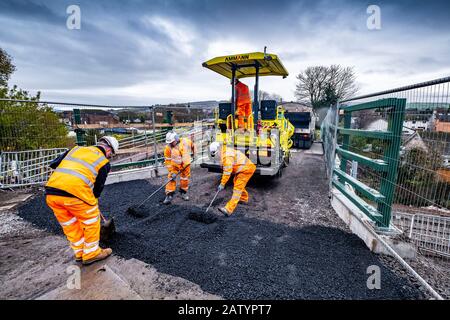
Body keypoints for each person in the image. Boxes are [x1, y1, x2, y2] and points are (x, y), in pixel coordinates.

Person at [45, 136, 119, 265]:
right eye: (111, 155)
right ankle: (91, 253)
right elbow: (98, 188)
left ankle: (79, 252)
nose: (109, 157)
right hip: (75, 192)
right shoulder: (103, 162)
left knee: (70, 224)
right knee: (91, 220)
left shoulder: (75, 149)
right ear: (109, 150)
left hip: (52, 192)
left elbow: (54, 164)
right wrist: (94, 200)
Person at [209, 142, 256, 216]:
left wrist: (222, 183)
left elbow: (227, 172)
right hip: (244, 168)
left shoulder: (226, 156)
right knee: (236, 183)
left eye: (215, 154)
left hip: (246, 169)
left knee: (237, 189)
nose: (216, 156)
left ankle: (228, 209)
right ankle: (243, 198)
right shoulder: (224, 152)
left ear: (218, 149)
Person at [163, 131, 194, 205]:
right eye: (169, 143)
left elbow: (193, 146)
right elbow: (167, 161)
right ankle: (169, 194)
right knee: (171, 177)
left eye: (171, 142)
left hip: (185, 165)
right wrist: (172, 171)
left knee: (184, 178)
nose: (170, 144)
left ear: (176, 139)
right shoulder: (168, 148)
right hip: (174, 166)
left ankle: (183, 192)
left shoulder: (185, 142)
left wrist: (195, 154)